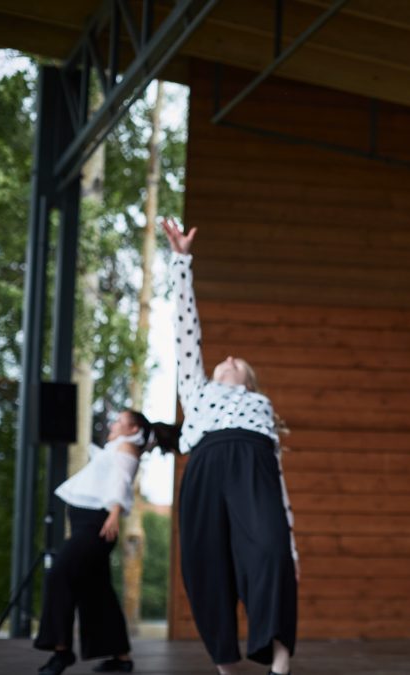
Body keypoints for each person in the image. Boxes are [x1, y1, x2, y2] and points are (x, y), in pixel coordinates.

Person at [161, 217, 298, 675]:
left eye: (238, 362)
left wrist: (292, 545)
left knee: (271, 552)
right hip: (204, 465)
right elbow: (185, 334)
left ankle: (279, 660)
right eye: (222, 361)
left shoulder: (261, 406)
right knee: (203, 563)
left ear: (251, 381)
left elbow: (278, 486)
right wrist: (181, 261)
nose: (228, 358)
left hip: (252, 466)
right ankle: (225, 664)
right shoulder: (197, 392)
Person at [34, 409, 156, 675]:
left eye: (120, 422)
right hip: (87, 523)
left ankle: (61, 651)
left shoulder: (126, 447)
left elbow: (121, 481)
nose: (113, 424)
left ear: (133, 430)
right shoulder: (117, 447)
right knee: (96, 589)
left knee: (59, 575)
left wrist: (114, 513)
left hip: (97, 524)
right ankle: (121, 658)